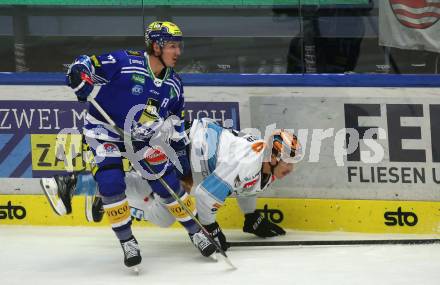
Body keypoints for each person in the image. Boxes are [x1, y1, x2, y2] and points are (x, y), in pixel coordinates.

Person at [61, 20, 216, 269]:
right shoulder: (124, 61)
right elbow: (84, 64)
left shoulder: (175, 85)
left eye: (179, 46)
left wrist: (180, 159)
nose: (178, 52)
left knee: (167, 183)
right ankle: (127, 241)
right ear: (156, 46)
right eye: (172, 46)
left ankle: (196, 232)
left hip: (141, 136)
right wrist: (79, 76)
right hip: (104, 130)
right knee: (111, 182)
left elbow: (176, 123)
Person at [42, 118, 301, 251]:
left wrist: (251, 216)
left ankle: (103, 193)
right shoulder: (248, 162)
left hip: (189, 150)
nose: (291, 168)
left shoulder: (261, 165)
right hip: (178, 149)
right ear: (274, 156)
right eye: (288, 161)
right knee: (164, 215)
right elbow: (204, 197)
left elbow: (245, 185)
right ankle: (77, 184)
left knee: (161, 202)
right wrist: (209, 229)